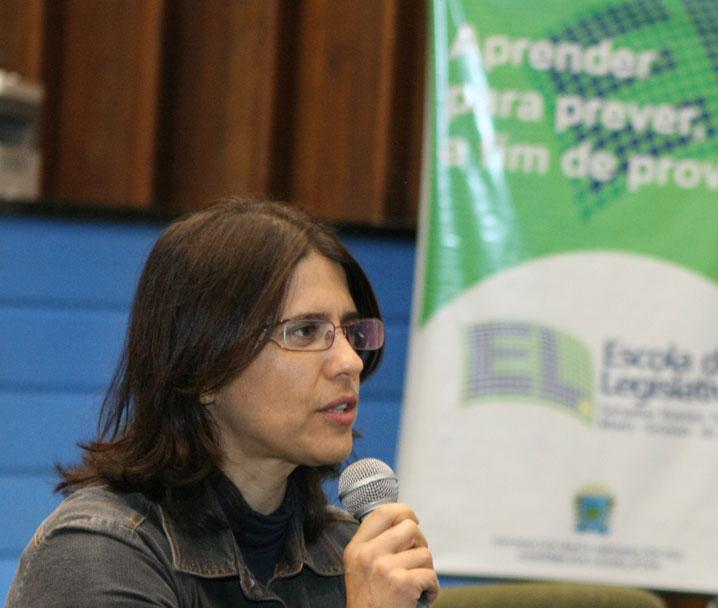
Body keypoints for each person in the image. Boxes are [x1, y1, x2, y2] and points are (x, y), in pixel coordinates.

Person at [5, 199, 440, 607]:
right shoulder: (97, 552)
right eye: (306, 331)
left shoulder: (350, 555)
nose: (349, 362)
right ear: (206, 369)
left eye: (349, 331)